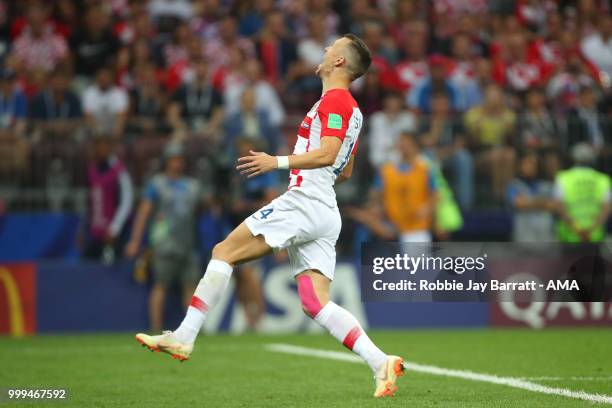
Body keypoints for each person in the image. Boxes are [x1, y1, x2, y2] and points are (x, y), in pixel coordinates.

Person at [135, 34, 406, 398]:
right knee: (315, 303)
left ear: (340, 62)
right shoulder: (353, 112)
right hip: (325, 207)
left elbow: (327, 154)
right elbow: (346, 169)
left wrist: (276, 162)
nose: (325, 50)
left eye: (331, 47)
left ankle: (184, 336)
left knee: (223, 252)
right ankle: (379, 362)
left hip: (305, 201)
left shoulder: (336, 101)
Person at [126, 142, 205, 332]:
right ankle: (155, 327)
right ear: (167, 162)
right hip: (163, 244)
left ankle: (191, 329)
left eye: (179, 160)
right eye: (173, 160)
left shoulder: (193, 186)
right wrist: (135, 240)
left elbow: (200, 213)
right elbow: (144, 212)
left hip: (188, 243)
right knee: (160, 285)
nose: (176, 163)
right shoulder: (157, 184)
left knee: (190, 287)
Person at [374, 132, 439, 243]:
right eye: (401, 143)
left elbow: (436, 195)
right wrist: (379, 210)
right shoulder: (386, 170)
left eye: (407, 143)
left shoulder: (425, 169)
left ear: (415, 146)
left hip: (417, 229)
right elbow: (376, 195)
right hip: (392, 228)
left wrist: (427, 208)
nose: (403, 146)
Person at [84, 135, 133, 261]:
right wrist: (83, 227)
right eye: (98, 147)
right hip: (95, 233)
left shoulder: (120, 171)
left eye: (104, 146)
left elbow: (127, 201)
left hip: (113, 234)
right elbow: (90, 202)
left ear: (110, 148)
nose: (100, 150)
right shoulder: (92, 170)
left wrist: (114, 229)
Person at [554, 143, 611, 243]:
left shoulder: (563, 178)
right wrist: (591, 230)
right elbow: (606, 208)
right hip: (594, 236)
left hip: (570, 236)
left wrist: (577, 230)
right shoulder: (603, 179)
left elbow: (560, 207)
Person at [506, 152, 555, 243]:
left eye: (532, 164)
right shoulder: (514, 185)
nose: (529, 167)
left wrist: (529, 202)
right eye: (526, 164)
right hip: (524, 238)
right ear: (519, 166)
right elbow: (519, 203)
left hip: (546, 238)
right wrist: (544, 203)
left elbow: (554, 206)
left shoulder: (546, 185)